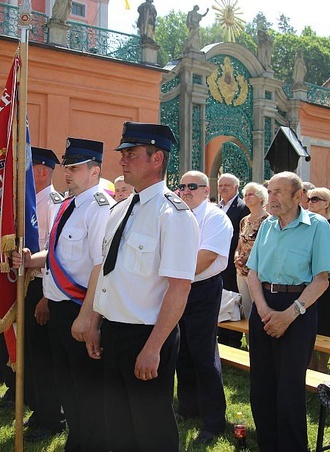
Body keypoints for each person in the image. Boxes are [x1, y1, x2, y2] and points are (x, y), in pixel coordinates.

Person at [89, 121, 199, 451]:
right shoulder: (120, 209)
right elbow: (107, 273)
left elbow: (179, 288)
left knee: (151, 429)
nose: (122, 160)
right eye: (123, 153)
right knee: (117, 426)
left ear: (157, 159)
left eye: (132, 154)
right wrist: (95, 322)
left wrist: (153, 348)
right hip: (114, 332)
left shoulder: (174, 215)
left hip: (148, 335)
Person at [13, 137, 111, 451]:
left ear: (94, 171)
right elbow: (54, 253)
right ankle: (77, 438)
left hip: (78, 307)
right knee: (66, 383)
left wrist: (87, 317)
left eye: (76, 167)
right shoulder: (69, 204)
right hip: (58, 307)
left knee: (84, 386)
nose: (68, 173)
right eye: (67, 167)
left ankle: (89, 441)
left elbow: (100, 264)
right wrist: (31, 260)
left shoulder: (98, 208)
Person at [245, 171, 330, 451]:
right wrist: (262, 309)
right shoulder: (267, 225)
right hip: (263, 307)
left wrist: (289, 315)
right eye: (269, 191)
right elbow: (252, 272)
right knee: (261, 387)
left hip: (298, 308)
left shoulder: (318, 226)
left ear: (298, 196)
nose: (270, 198)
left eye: (278, 192)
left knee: (289, 389)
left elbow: (321, 279)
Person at [175, 170, 232, 444]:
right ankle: (188, 409)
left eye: (192, 186)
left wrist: (176, 276)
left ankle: (213, 421)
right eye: (181, 186)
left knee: (203, 354)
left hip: (201, 290)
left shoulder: (215, 217)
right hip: (176, 288)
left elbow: (207, 256)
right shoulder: (176, 214)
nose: (185, 191)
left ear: (206, 190)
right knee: (180, 351)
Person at [19, 146, 66, 441]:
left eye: (28, 167)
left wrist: (46, 296)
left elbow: (54, 255)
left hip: (42, 283)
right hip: (28, 280)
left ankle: (52, 416)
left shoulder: (52, 202)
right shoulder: (29, 199)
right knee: (31, 351)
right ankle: (38, 407)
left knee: (44, 354)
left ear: (41, 171)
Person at [306, 187, 330, 373]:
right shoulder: (305, 223)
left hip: (327, 279)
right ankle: (311, 361)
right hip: (306, 278)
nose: (310, 202)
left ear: (327, 202)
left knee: (326, 319)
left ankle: (323, 364)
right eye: (309, 199)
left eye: (316, 199)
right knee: (309, 318)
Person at [217, 173, 249, 348]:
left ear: (236, 188)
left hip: (233, 261)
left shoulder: (243, 208)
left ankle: (233, 339)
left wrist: (223, 237)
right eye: (221, 185)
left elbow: (242, 235)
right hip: (219, 261)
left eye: (227, 186)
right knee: (221, 298)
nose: (222, 188)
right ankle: (221, 334)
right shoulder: (217, 206)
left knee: (233, 300)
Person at [234, 182, 269, 324]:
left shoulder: (268, 220)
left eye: (251, 194)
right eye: (245, 195)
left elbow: (266, 246)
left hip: (258, 270)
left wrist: (248, 258)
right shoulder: (244, 220)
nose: (247, 198)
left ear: (261, 198)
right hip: (242, 270)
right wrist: (236, 257)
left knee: (259, 308)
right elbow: (239, 244)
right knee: (247, 309)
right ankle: (250, 343)